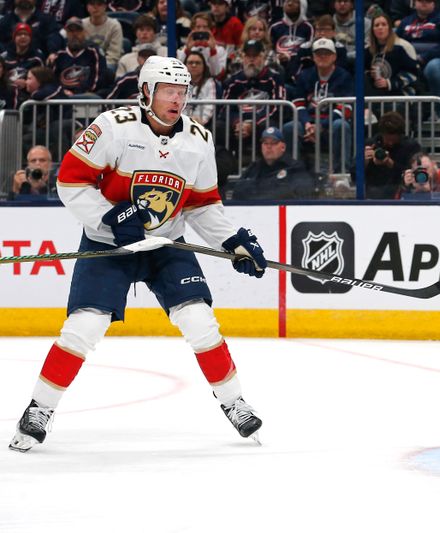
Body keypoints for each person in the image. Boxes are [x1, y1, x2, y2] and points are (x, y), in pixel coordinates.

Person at [8, 56, 268, 453]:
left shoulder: (199, 139)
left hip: (165, 243)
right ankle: (39, 408)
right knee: (84, 328)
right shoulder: (113, 128)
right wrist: (111, 220)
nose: (177, 99)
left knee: (200, 321)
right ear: (146, 92)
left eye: (182, 92)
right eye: (168, 90)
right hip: (109, 244)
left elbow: (201, 204)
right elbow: (70, 181)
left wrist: (232, 240)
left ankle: (233, 401)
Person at [283, 38, 354, 173]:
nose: (322, 57)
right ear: (313, 57)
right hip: (309, 124)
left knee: (341, 125)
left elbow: (346, 108)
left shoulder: (344, 77)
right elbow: (298, 104)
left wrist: (322, 125)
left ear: (334, 56)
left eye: (326, 53)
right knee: (290, 127)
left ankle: (341, 174)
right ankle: (293, 172)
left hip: (331, 123)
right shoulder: (304, 75)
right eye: (318, 53)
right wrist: (308, 124)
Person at [396, 0, 440, 113]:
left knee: (434, 67)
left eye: (428, 0)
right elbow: (396, 42)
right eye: (420, 0)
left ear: (434, 3)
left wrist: (425, 56)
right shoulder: (406, 22)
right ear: (414, 3)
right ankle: (406, 113)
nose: (424, 3)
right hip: (410, 60)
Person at [221, 39, 286, 143]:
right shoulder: (233, 81)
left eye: (255, 56)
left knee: (268, 126)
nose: (251, 60)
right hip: (239, 124)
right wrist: (237, 122)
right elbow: (225, 108)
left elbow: (277, 108)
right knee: (219, 125)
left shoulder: (274, 79)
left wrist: (253, 124)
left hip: (261, 122)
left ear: (263, 58)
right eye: (248, 56)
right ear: (243, 58)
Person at [232, 127, 317, 200]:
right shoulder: (254, 167)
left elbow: (300, 191)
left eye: (274, 143)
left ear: (283, 147)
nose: (269, 147)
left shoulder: (294, 167)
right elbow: (238, 190)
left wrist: (259, 188)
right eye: (265, 143)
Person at [364, 111, 422, 199]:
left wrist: (391, 164)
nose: (390, 143)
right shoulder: (371, 145)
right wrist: (364, 161)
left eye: (394, 140)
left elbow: (416, 174)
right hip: (373, 192)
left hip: (401, 192)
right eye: (387, 139)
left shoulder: (410, 147)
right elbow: (354, 175)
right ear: (382, 134)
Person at [49, 17, 108, 96]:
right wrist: (63, 92)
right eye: (71, 31)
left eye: (78, 30)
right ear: (66, 33)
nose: (74, 34)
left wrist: (77, 93)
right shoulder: (59, 56)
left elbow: (99, 79)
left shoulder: (94, 53)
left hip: (86, 98)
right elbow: (52, 81)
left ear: (84, 32)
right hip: (63, 99)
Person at [364, 12, 418, 97]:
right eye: (377, 25)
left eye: (384, 24)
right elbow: (364, 71)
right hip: (377, 94)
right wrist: (370, 74)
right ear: (372, 30)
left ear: (390, 28)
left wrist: (389, 83)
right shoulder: (368, 50)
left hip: (401, 94)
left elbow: (413, 74)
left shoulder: (402, 46)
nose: (380, 28)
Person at [178, 12, 228, 78]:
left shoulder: (220, 50)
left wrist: (213, 51)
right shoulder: (183, 50)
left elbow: (216, 73)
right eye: (198, 27)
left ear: (210, 29)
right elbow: (179, 71)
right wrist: (187, 50)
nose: (201, 30)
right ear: (192, 29)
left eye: (205, 27)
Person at [1, 22, 45, 93]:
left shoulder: (37, 57)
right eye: (19, 34)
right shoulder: (4, 58)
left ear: (30, 38)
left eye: (26, 34)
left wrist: (26, 83)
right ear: (14, 37)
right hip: (7, 95)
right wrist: (11, 82)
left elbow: (43, 80)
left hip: (29, 96)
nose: (23, 36)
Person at [269, 0, 314, 69]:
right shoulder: (274, 27)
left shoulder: (308, 28)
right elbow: (268, 50)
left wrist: (290, 57)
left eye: (295, 2)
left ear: (302, 6)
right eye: (287, 1)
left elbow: (309, 52)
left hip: (300, 68)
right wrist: (277, 57)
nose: (290, 4)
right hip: (278, 68)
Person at [83, 0, 123, 74]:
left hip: (108, 63)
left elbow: (114, 55)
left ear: (105, 6)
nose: (95, 7)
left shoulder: (114, 25)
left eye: (99, 4)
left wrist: (99, 66)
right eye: (92, 4)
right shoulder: (81, 24)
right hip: (86, 63)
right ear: (87, 7)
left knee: (107, 72)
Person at [184, 51, 218, 126]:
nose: (194, 65)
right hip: (181, 123)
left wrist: (200, 121)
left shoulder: (209, 83)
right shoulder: (179, 83)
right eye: (190, 62)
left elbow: (209, 106)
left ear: (204, 66)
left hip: (202, 124)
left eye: (198, 63)